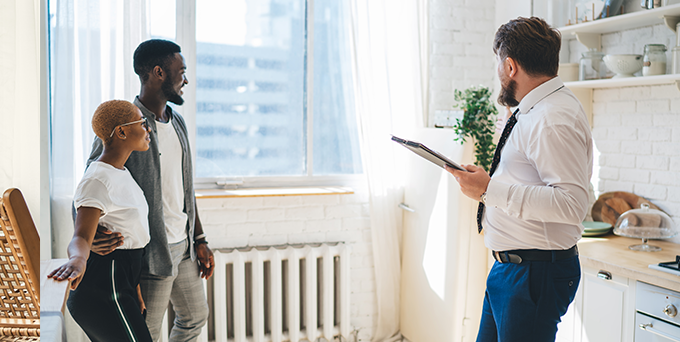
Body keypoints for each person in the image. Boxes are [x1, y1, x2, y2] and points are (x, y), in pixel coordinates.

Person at [447, 17, 593, 341]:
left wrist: (488, 189)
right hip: (513, 269)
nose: (498, 72)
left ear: (510, 66)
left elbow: (571, 205)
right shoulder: (536, 111)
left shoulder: (551, 117)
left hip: (533, 274)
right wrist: (488, 188)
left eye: (499, 63)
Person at [85, 39, 213, 342]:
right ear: (158, 72)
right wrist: (90, 236)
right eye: (180, 71)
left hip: (183, 248)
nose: (185, 79)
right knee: (148, 333)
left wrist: (200, 238)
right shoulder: (127, 126)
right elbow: (92, 179)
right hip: (150, 252)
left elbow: (184, 187)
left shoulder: (177, 122)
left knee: (195, 316)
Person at [49, 100, 153, 342]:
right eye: (142, 122)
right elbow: (82, 236)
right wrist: (77, 259)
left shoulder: (121, 173)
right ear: (122, 131)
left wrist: (134, 289)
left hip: (120, 283)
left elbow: (129, 235)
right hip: (103, 288)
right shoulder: (97, 178)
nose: (148, 129)